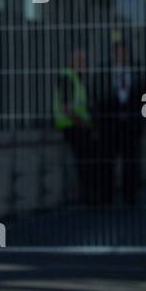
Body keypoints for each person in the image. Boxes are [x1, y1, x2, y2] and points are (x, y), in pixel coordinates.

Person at [96, 41, 146, 206]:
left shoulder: (137, 70)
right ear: (113, 53)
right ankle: (107, 197)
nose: (121, 56)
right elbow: (97, 95)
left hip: (131, 125)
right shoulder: (104, 71)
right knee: (107, 161)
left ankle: (130, 195)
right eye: (118, 52)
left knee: (131, 162)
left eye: (124, 53)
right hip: (110, 125)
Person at [53, 47, 96, 204]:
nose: (82, 64)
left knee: (86, 160)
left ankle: (89, 195)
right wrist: (85, 123)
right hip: (72, 126)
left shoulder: (76, 78)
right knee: (85, 161)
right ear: (71, 61)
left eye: (84, 61)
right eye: (79, 60)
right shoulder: (67, 76)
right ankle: (88, 196)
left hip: (78, 125)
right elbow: (66, 107)